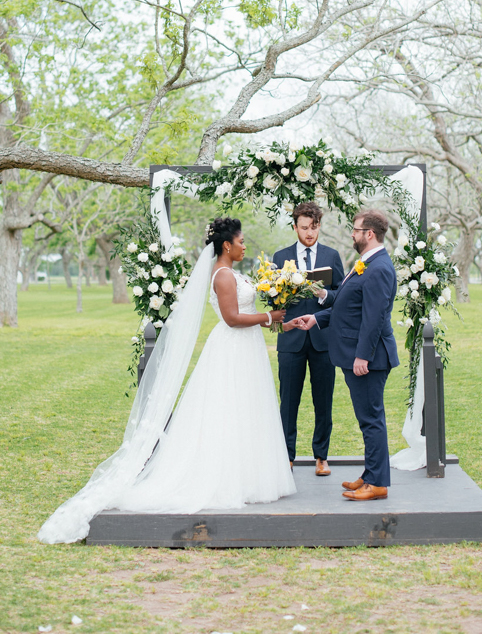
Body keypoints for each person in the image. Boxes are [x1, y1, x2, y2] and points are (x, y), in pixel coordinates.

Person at [38, 217, 295, 544]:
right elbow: (232, 319)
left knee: (246, 410)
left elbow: (247, 317)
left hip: (247, 349)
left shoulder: (234, 272)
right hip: (233, 349)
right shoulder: (224, 275)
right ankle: (228, 478)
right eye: (241, 241)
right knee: (229, 409)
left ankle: (249, 476)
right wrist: (269, 317)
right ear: (227, 245)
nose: (246, 245)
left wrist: (279, 325)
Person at [293, 210, 399, 502]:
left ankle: (377, 483)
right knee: (367, 419)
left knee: (371, 419)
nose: (352, 234)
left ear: (370, 234)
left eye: (355, 230)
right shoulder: (367, 263)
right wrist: (317, 319)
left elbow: (374, 317)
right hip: (357, 354)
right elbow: (347, 304)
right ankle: (370, 474)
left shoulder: (378, 268)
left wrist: (363, 356)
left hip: (369, 358)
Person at [273, 202, 344, 476]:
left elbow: (342, 295)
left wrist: (324, 295)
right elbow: (270, 297)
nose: (309, 233)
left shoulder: (332, 255)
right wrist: (281, 291)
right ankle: (287, 456)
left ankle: (321, 457)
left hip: (323, 340)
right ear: (295, 227)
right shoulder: (281, 257)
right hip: (290, 340)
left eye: (314, 228)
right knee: (288, 401)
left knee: (323, 401)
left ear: (319, 226)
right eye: (304, 228)